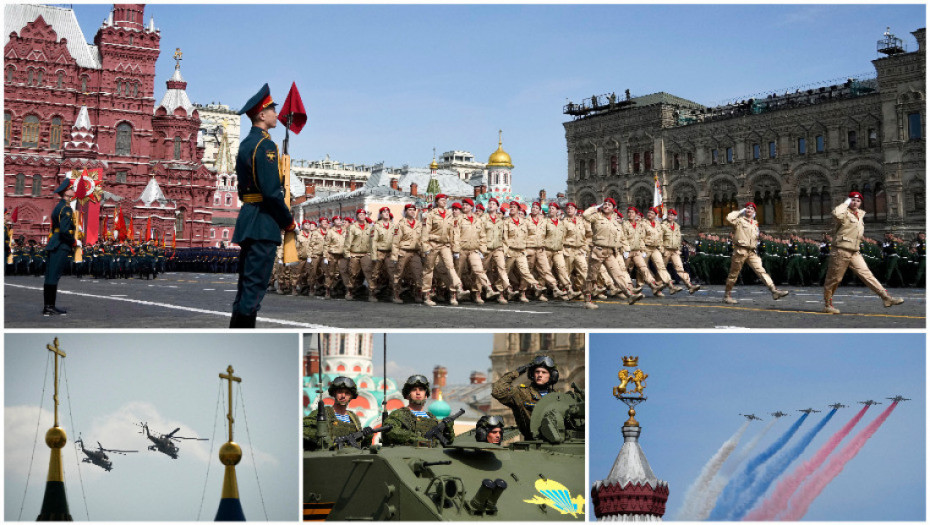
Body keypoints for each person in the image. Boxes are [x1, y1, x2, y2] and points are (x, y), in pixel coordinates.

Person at [229, 84, 296, 328]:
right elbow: (270, 192)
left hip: (249, 218)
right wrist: (287, 220)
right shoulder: (266, 146)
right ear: (261, 115)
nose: (276, 114)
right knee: (254, 291)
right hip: (263, 222)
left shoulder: (246, 143)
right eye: (272, 110)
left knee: (245, 289)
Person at [823, 192, 904, 313]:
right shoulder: (844, 212)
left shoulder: (860, 215)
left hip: (855, 251)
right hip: (841, 249)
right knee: (834, 279)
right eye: (853, 200)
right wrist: (845, 202)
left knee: (867, 275)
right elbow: (836, 213)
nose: (855, 202)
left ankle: (886, 298)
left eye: (858, 201)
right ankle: (828, 305)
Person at [723, 202, 788, 304]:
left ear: (754, 212)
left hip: (752, 251)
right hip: (740, 250)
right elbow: (728, 218)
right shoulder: (739, 221)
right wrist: (740, 211)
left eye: (751, 209)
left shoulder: (755, 223)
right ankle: (727, 295)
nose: (749, 210)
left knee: (761, 271)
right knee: (733, 274)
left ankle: (774, 290)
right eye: (747, 208)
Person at [491, 355, 558, 439]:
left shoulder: (557, 397)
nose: (540, 375)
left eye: (544, 372)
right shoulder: (521, 394)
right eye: (537, 372)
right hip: (532, 442)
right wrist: (517, 372)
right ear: (532, 374)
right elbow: (497, 390)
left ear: (552, 376)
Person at [383, 375, 455, 446]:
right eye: (414, 390)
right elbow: (391, 431)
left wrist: (448, 430)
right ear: (408, 395)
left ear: (426, 395)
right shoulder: (398, 415)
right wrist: (415, 438)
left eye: (421, 389)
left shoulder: (432, 418)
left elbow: (447, 443)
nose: (418, 393)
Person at [303, 376, 369, 450]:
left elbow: (362, 445)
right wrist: (322, 437)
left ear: (351, 396)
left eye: (347, 393)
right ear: (334, 394)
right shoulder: (322, 413)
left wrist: (367, 436)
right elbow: (304, 430)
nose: (343, 396)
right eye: (340, 392)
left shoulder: (354, 418)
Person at [43, 177, 77, 315]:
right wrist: (73, 241)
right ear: (65, 192)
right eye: (71, 188)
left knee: (50, 276)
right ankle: (49, 307)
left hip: (54, 243)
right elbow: (64, 230)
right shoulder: (66, 208)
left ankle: (49, 306)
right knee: (53, 276)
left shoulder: (59, 206)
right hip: (60, 245)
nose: (73, 190)